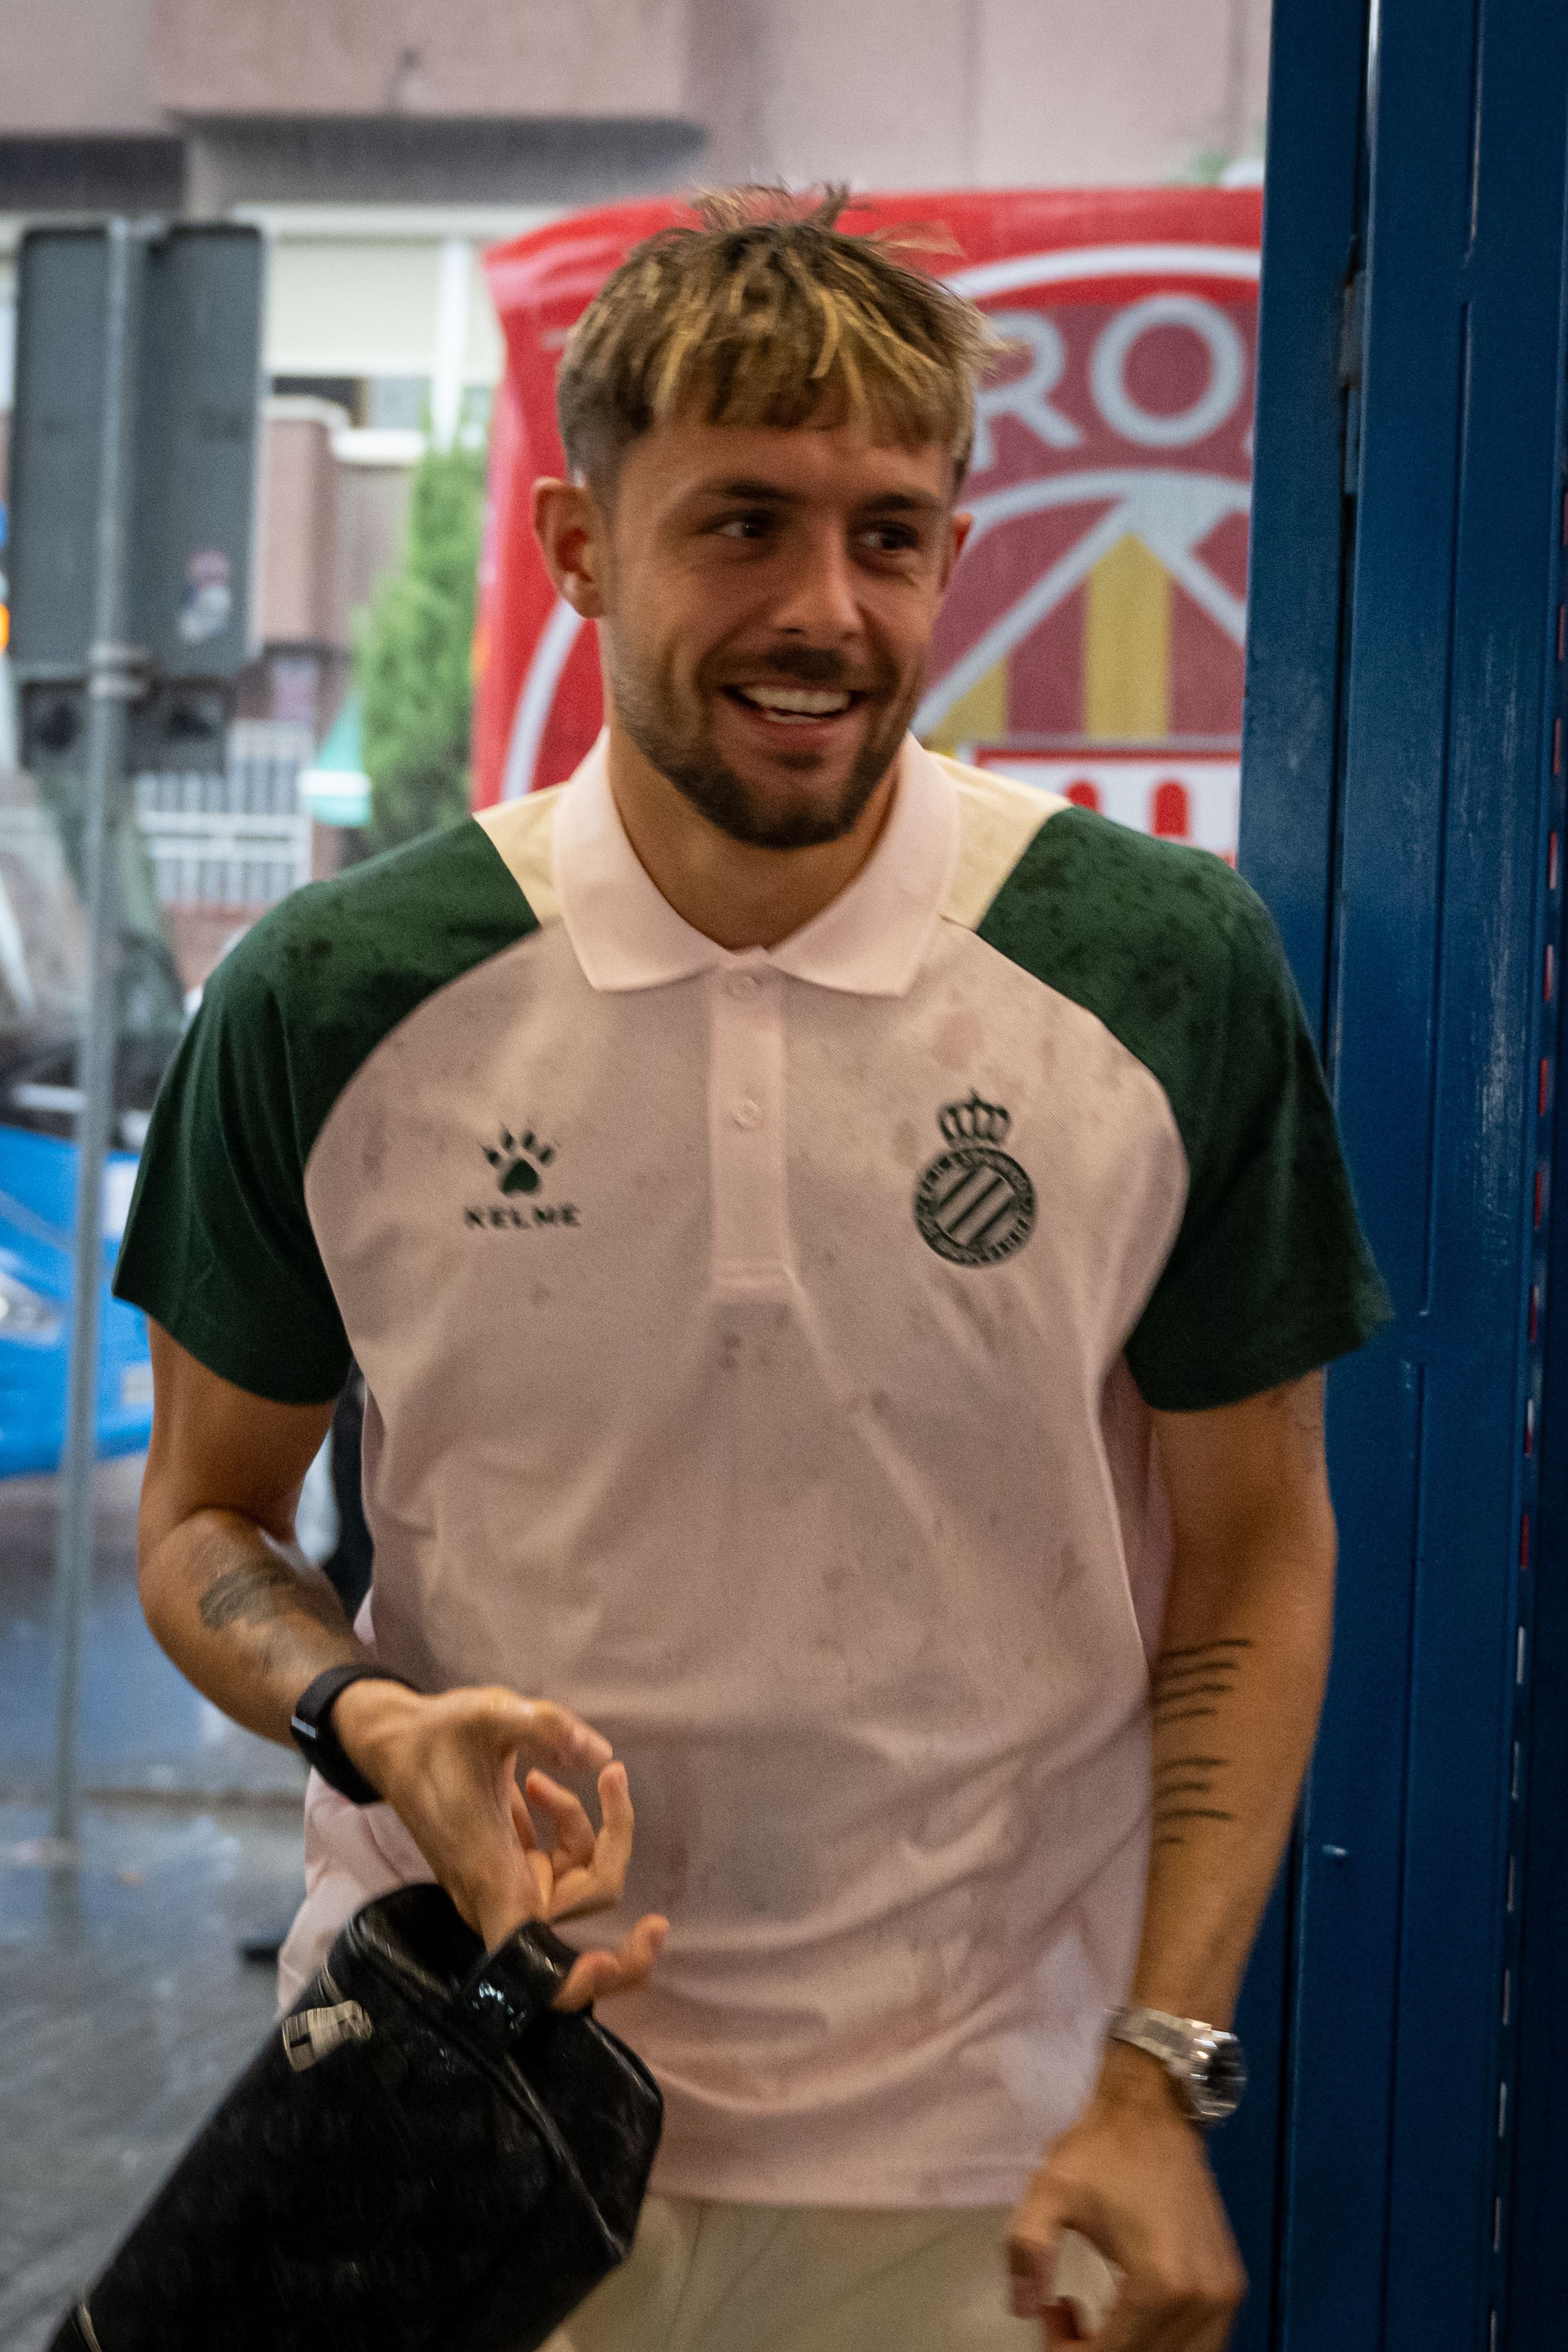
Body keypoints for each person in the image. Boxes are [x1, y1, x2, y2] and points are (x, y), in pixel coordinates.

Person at [119, 188, 1388, 2351]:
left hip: (986, 2173)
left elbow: (1255, 1553)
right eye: (741, 525)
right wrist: (375, 1720)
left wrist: (1156, 2073)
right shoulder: (335, 996)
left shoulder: (1157, 969)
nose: (825, 608)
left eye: (889, 535)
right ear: (579, 540)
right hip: (456, 2118)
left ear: (953, 552)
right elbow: (202, 1522)